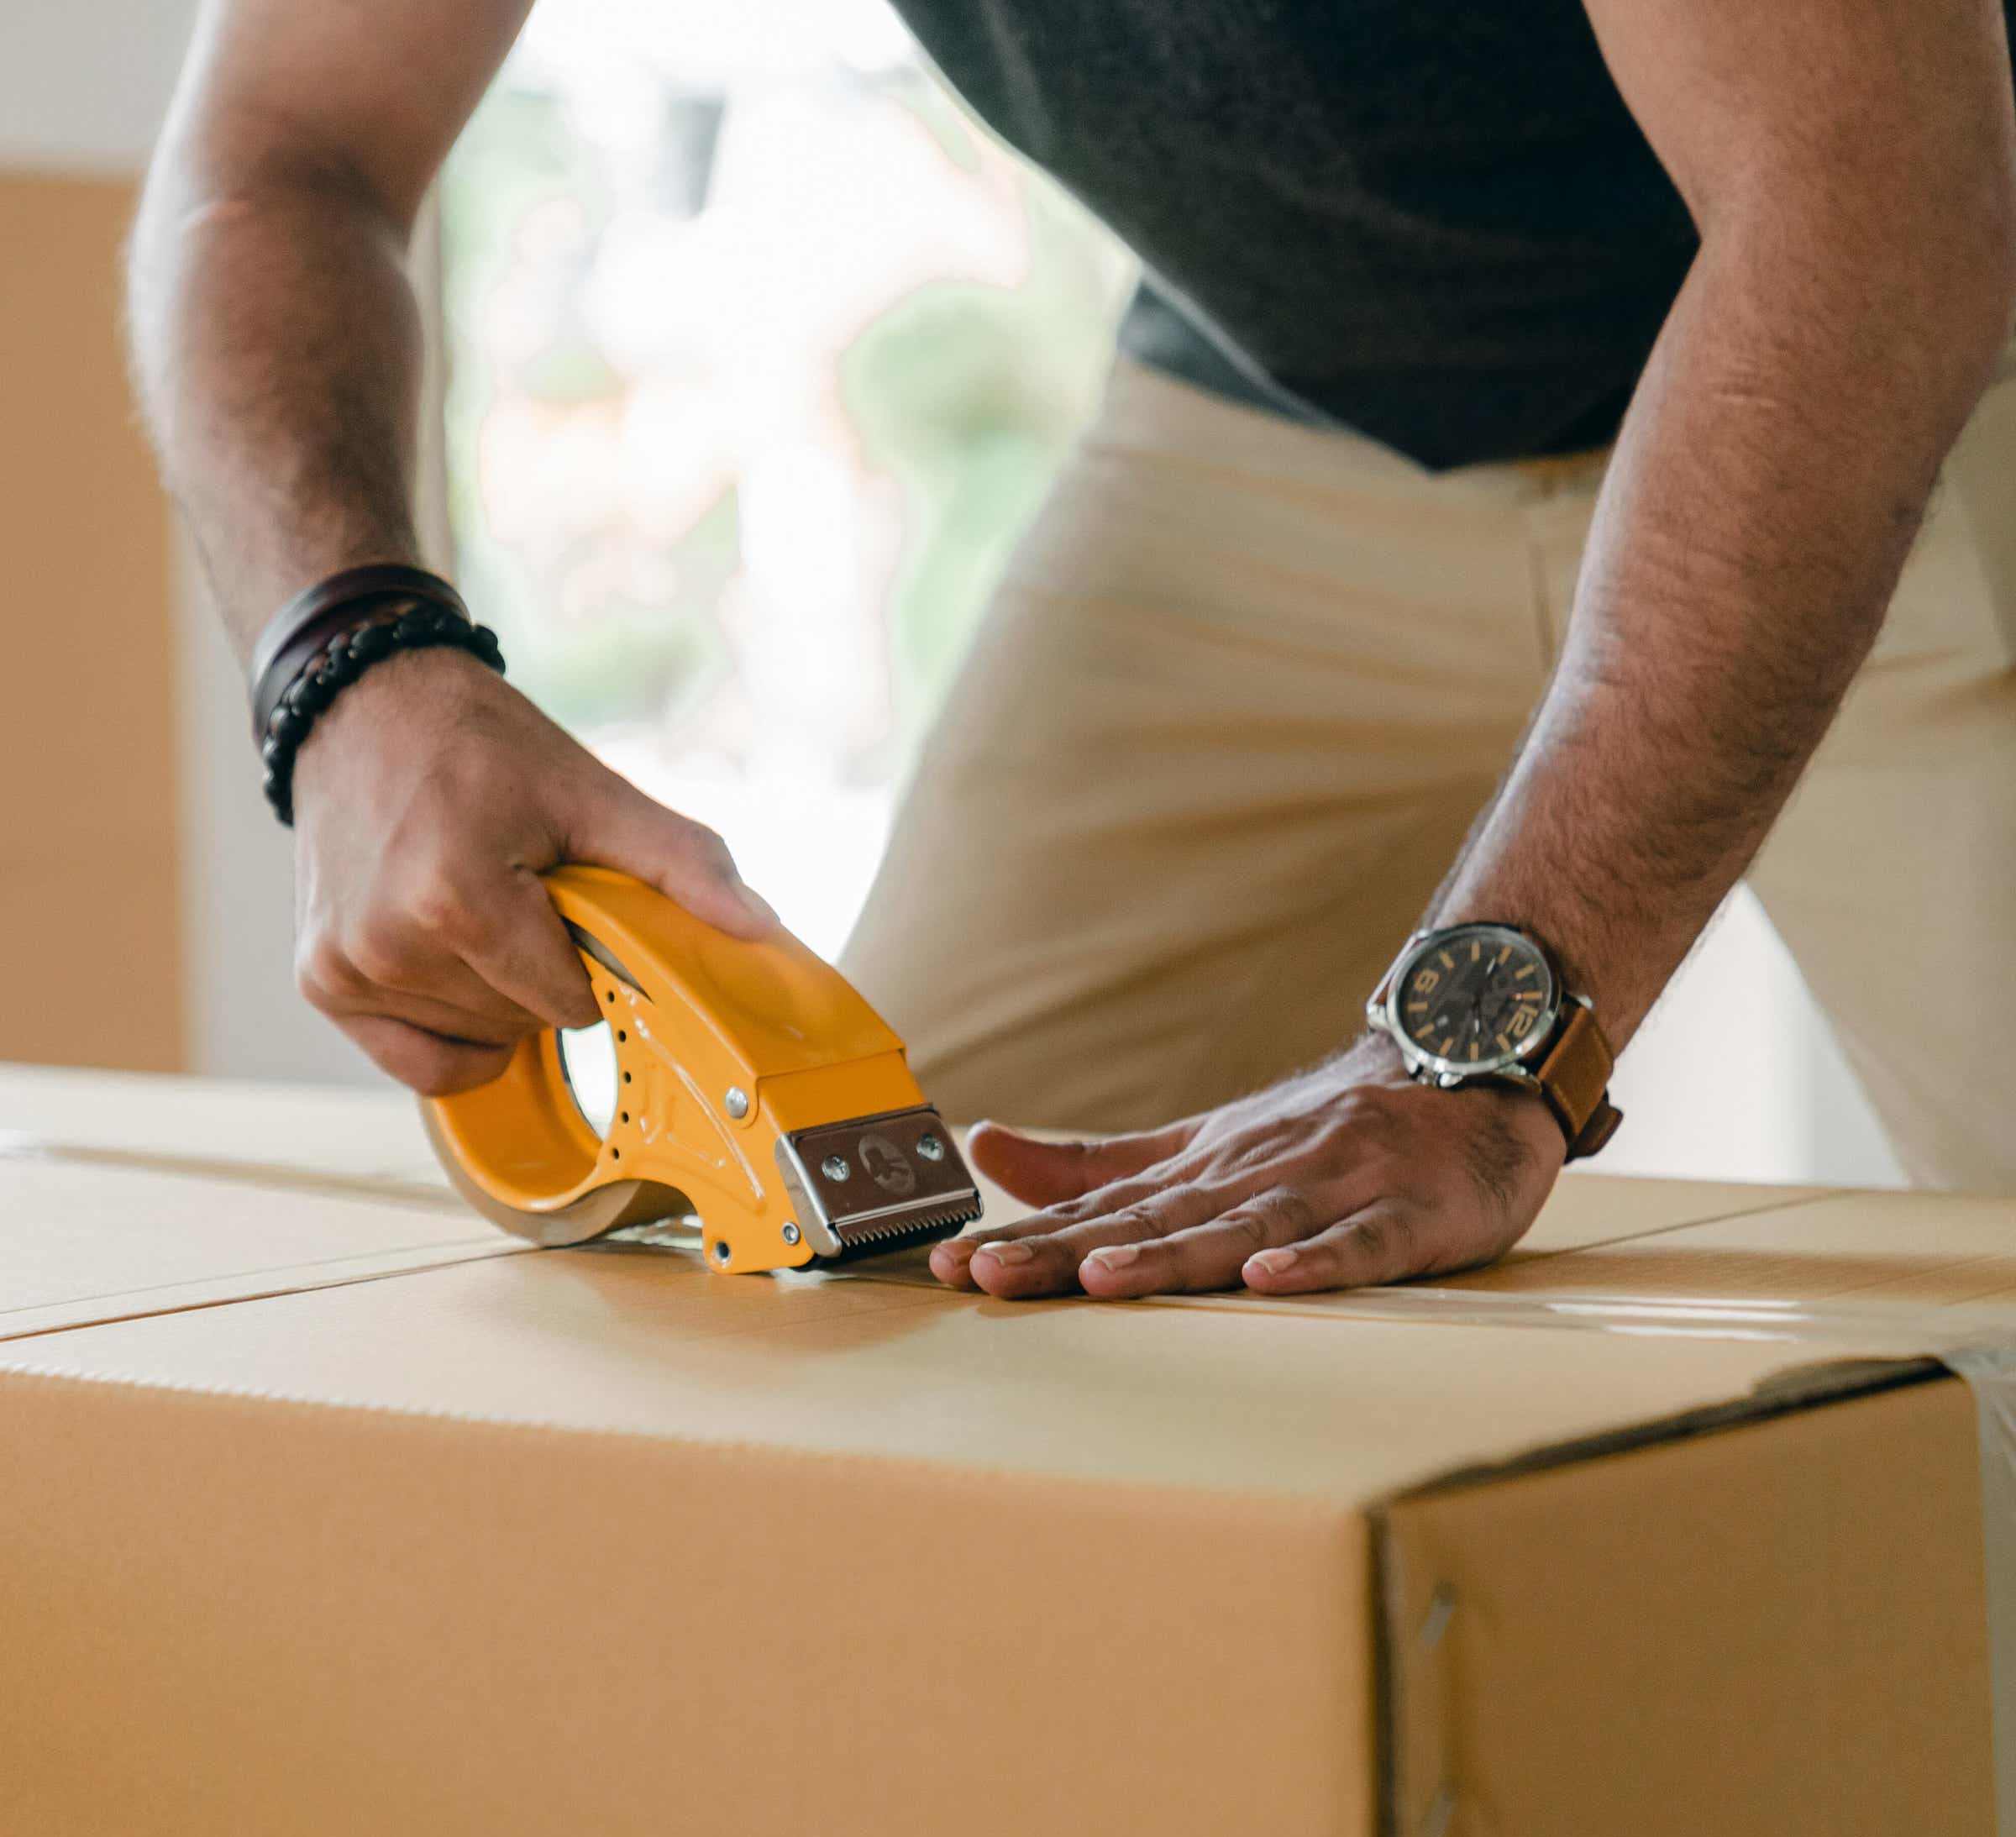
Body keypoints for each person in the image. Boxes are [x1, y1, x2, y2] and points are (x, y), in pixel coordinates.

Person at [129, 0, 2016, 1302]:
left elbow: (1868, 204)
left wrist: (1487, 1047)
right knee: (887, 1260)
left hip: (1910, 389)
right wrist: (348, 665)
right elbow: (281, 149)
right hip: (1278, 429)